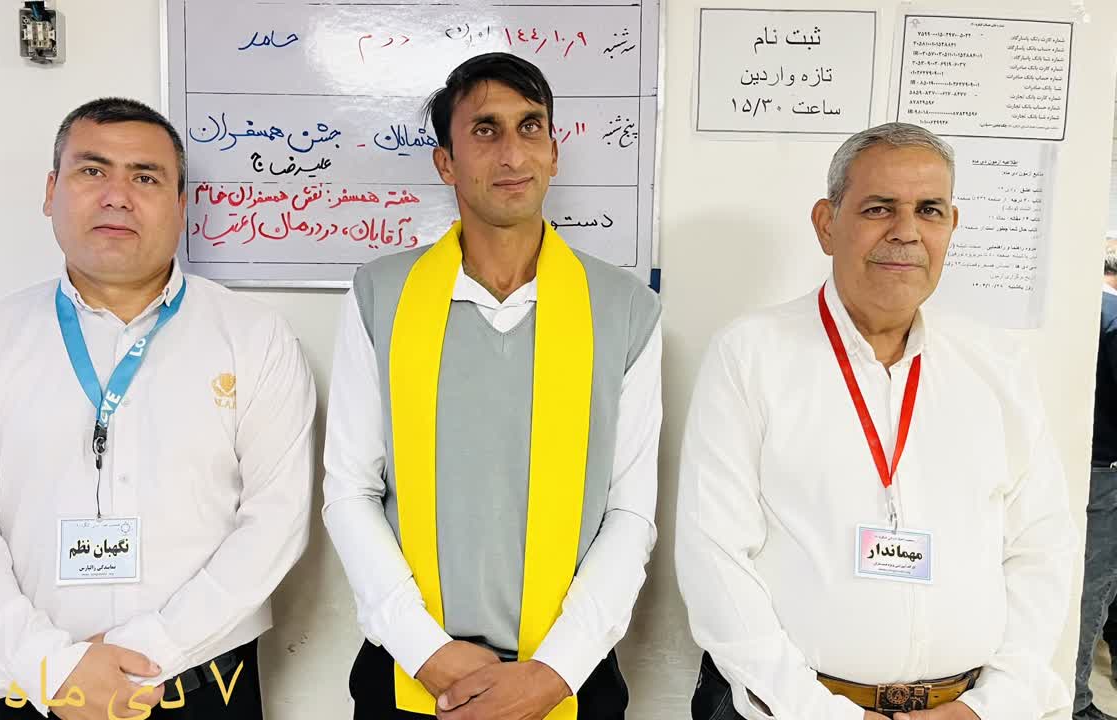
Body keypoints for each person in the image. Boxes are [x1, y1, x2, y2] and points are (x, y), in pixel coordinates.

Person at [0, 97, 316, 719]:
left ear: (181, 205)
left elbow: (276, 520)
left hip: (201, 689)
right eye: (92, 171)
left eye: (145, 178)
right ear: (52, 191)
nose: (117, 197)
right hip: (35, 689)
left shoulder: (254, 338)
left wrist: (147, 651)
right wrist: (53, 666)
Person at [676, 122, 1075, 720]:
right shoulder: (751, 355)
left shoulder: (997, 367)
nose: (906, 232)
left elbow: (1041, 548)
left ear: (951, 226)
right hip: (788, 710)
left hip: (964, 709)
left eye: (929, 210)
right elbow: (714, 555)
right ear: (826, 223)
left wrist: (992, 705)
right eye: (879, 208)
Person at [322, 53, 662, 720]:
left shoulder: (624, 309)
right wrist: (426, 650)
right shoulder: (381, 296)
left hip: (569, 676)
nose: (512, 154)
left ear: (554, 152)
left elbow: (630, 512)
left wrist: (554, 672)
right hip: (412, 670)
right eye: (485, 130)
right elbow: (350, 490)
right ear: (445, 163)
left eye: (530, 127)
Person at [1072, 234, 1117, 720]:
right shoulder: (1115, 318)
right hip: (1107, 473)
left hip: (1084, 462)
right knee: (1096, 589)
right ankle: (1078, 702)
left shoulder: (1087, 309)